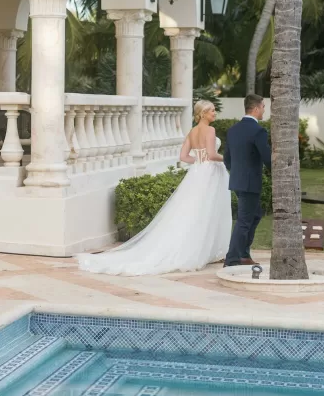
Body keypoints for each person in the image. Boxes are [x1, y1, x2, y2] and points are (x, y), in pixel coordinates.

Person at [77, 100, 232, 276]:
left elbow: (183, 156)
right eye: (211, 110)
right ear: (203, 113)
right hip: (210, 173)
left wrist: (199, 161)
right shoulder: (210, 130)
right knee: (207, 211)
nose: (215, 113)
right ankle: (204, 251)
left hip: (197, 173)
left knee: (192, 211)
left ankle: (200, 249)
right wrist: (228, 159)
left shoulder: (192, 132)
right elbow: (211, 154)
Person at [223, 94, 271, 267]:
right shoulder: (258, 131)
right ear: (256, 108)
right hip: (250, 182)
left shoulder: (233, 130)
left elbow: (227, 159)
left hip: (237, 180)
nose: (264, 110)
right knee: (244, 221)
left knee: (255, 214)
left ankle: (243, 254)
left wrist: (237, 172)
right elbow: (267, 157)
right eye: (264, 106)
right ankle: (232, 259)